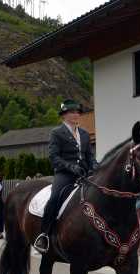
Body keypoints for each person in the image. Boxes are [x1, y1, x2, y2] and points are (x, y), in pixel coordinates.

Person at [33, 99, 97, 253]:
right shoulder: (56, 132)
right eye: (72, 112)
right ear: (64, 115)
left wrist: (96, 166)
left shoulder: (84, 133)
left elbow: (89, 156)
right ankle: (44, 235)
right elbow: (54, 157)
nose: (76, 115)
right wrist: (70, 167)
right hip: (65, 174)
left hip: (84, 173)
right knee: (54, 197)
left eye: (77, 112)